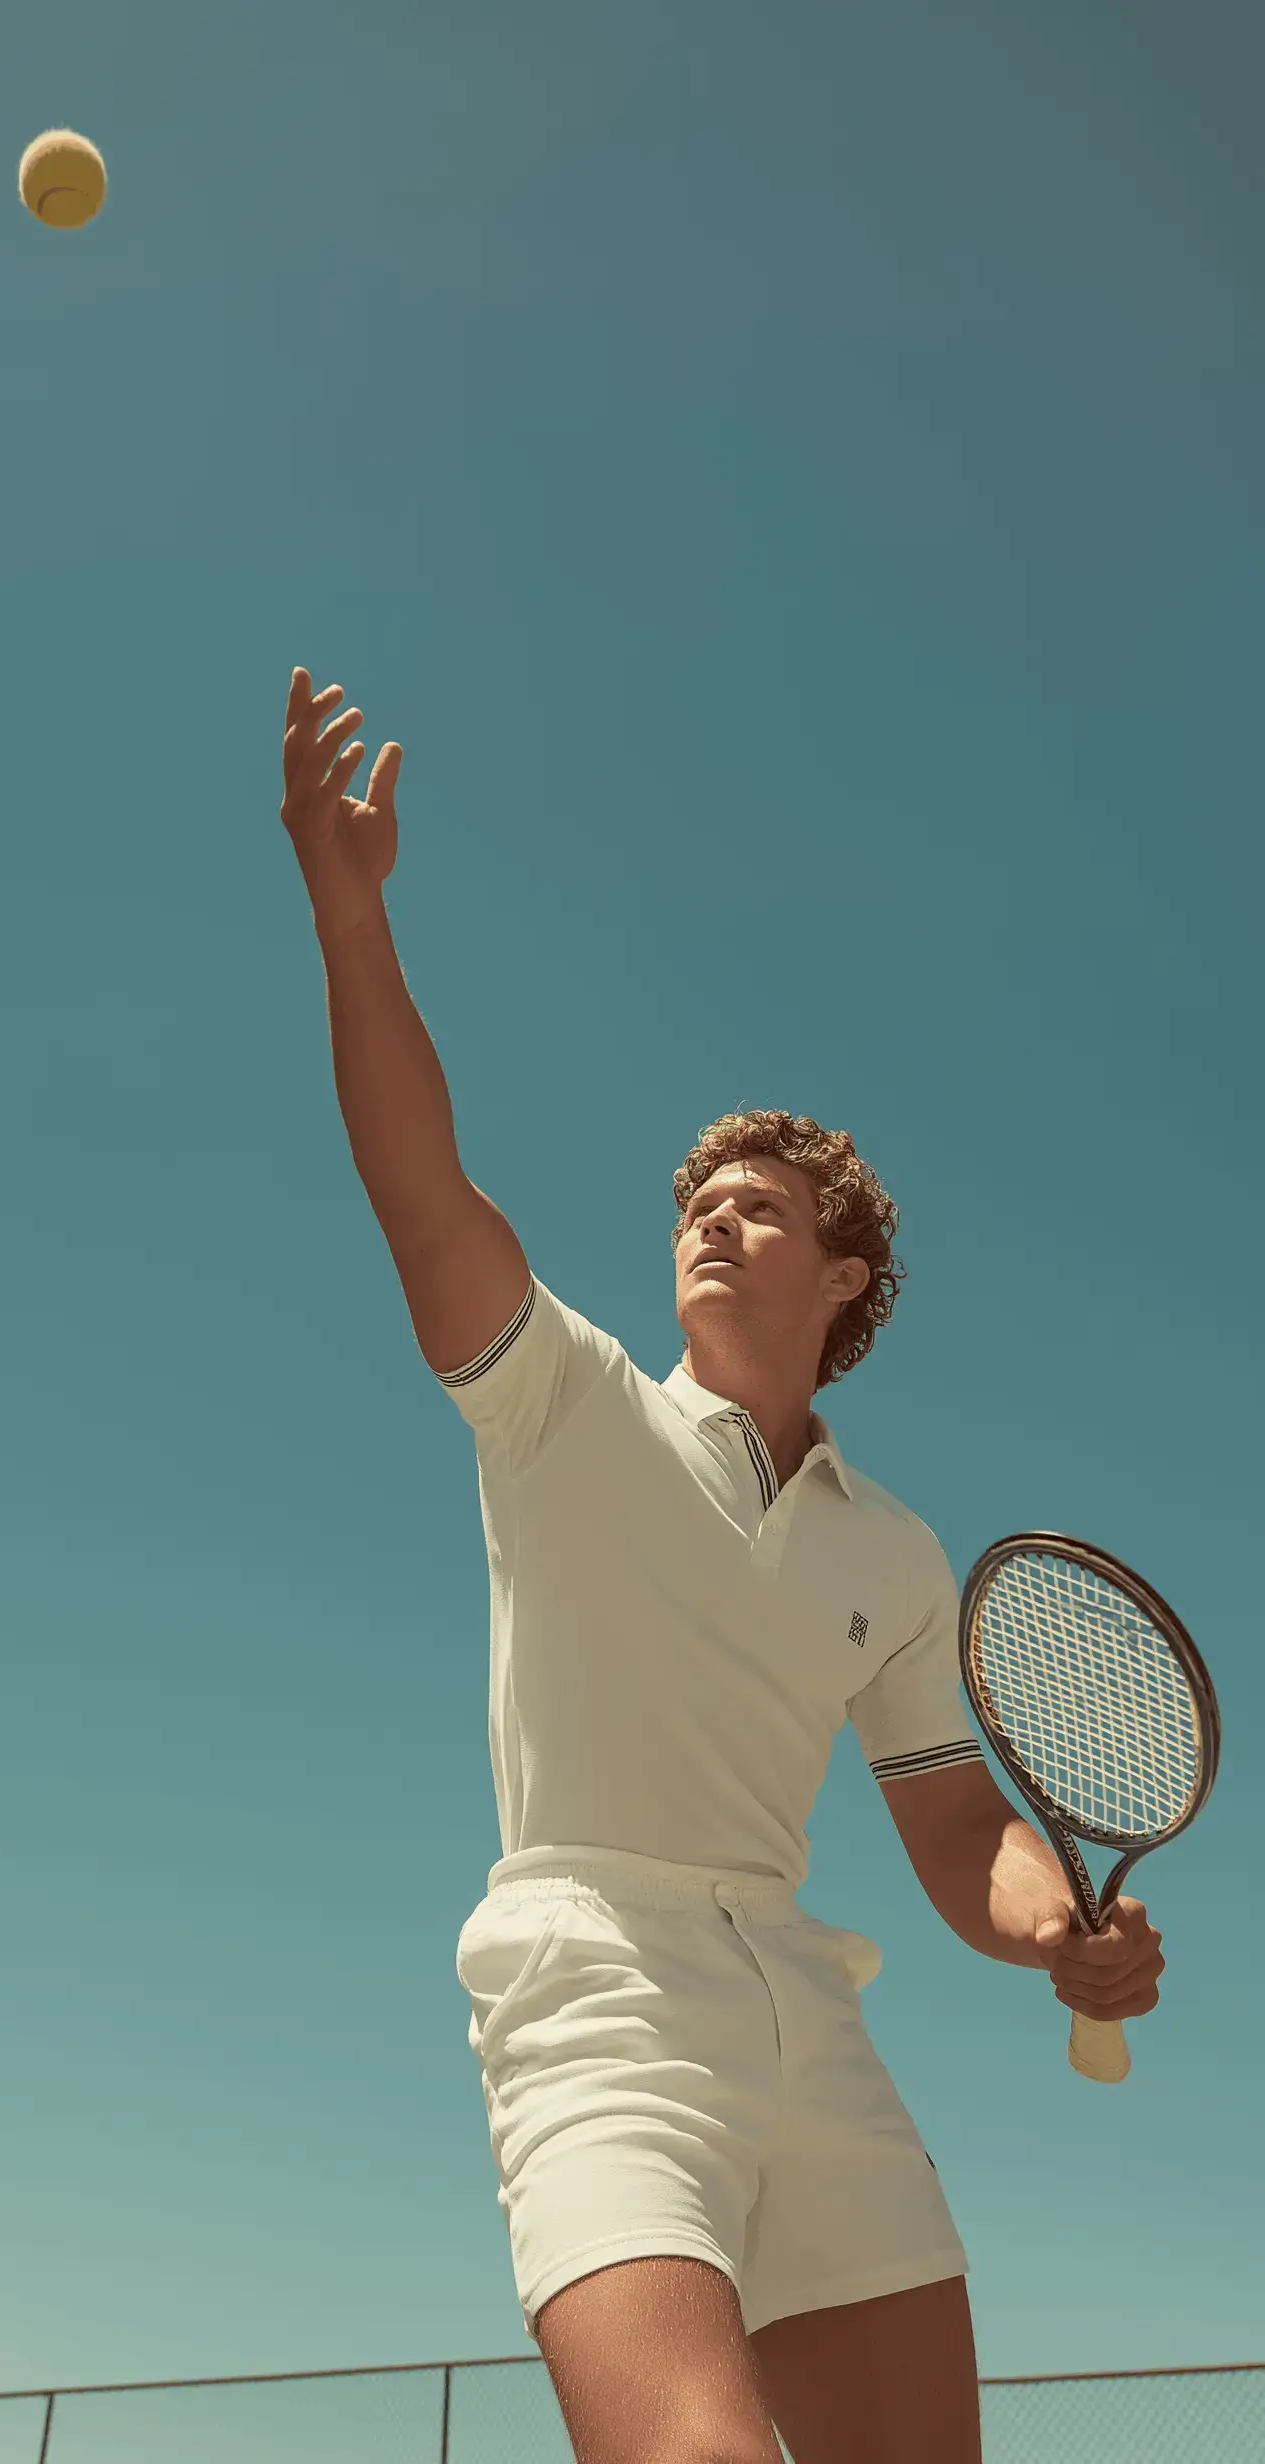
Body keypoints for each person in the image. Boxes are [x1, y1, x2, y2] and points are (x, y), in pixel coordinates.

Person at [276, 670, 1166, 2464]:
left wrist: (1055, 1927)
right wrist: (350, 915)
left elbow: (954, 1823)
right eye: (698, 1201)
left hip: (811, 2018)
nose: (713, 1216)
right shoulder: (563, 1403)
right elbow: (424, 1188)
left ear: (845, 1282)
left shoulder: (894, 1551)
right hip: (593, 1983)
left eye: (760, 1206)